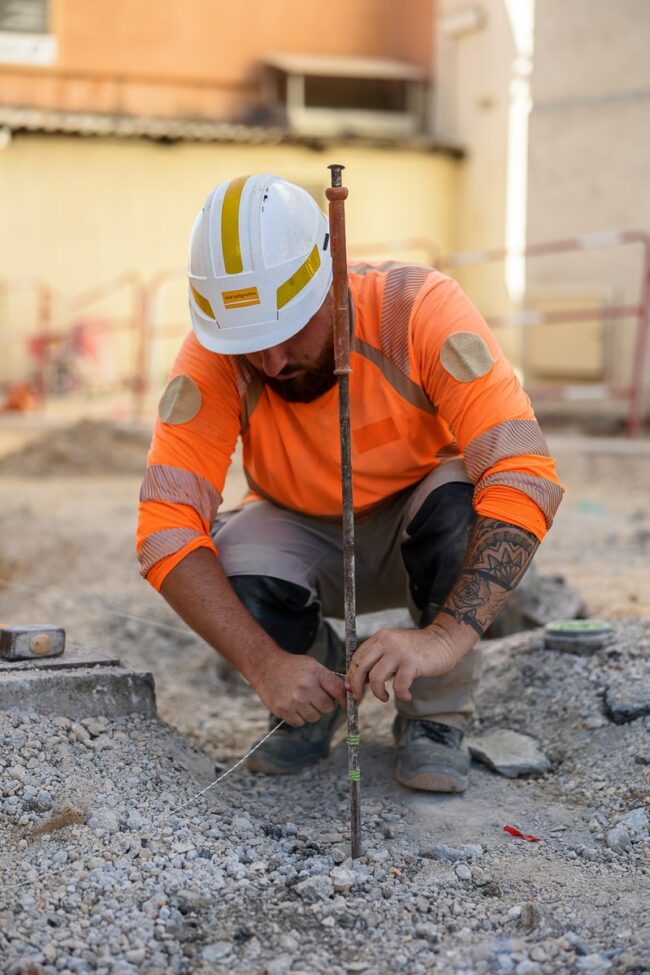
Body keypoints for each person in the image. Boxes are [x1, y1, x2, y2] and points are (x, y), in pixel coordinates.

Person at [136, 173, 563, 793]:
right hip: (300, 526)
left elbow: (524, 470)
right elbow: (164, 526)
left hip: (420, 511)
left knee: (468, 506)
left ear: (331, 282)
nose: (272, 363)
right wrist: (263, 664)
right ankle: (311, 692)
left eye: (287, 334)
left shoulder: (417, 307)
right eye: (253, 346)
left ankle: (436, 715)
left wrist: (443, 639)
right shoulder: (219, 353)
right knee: (225, 561)